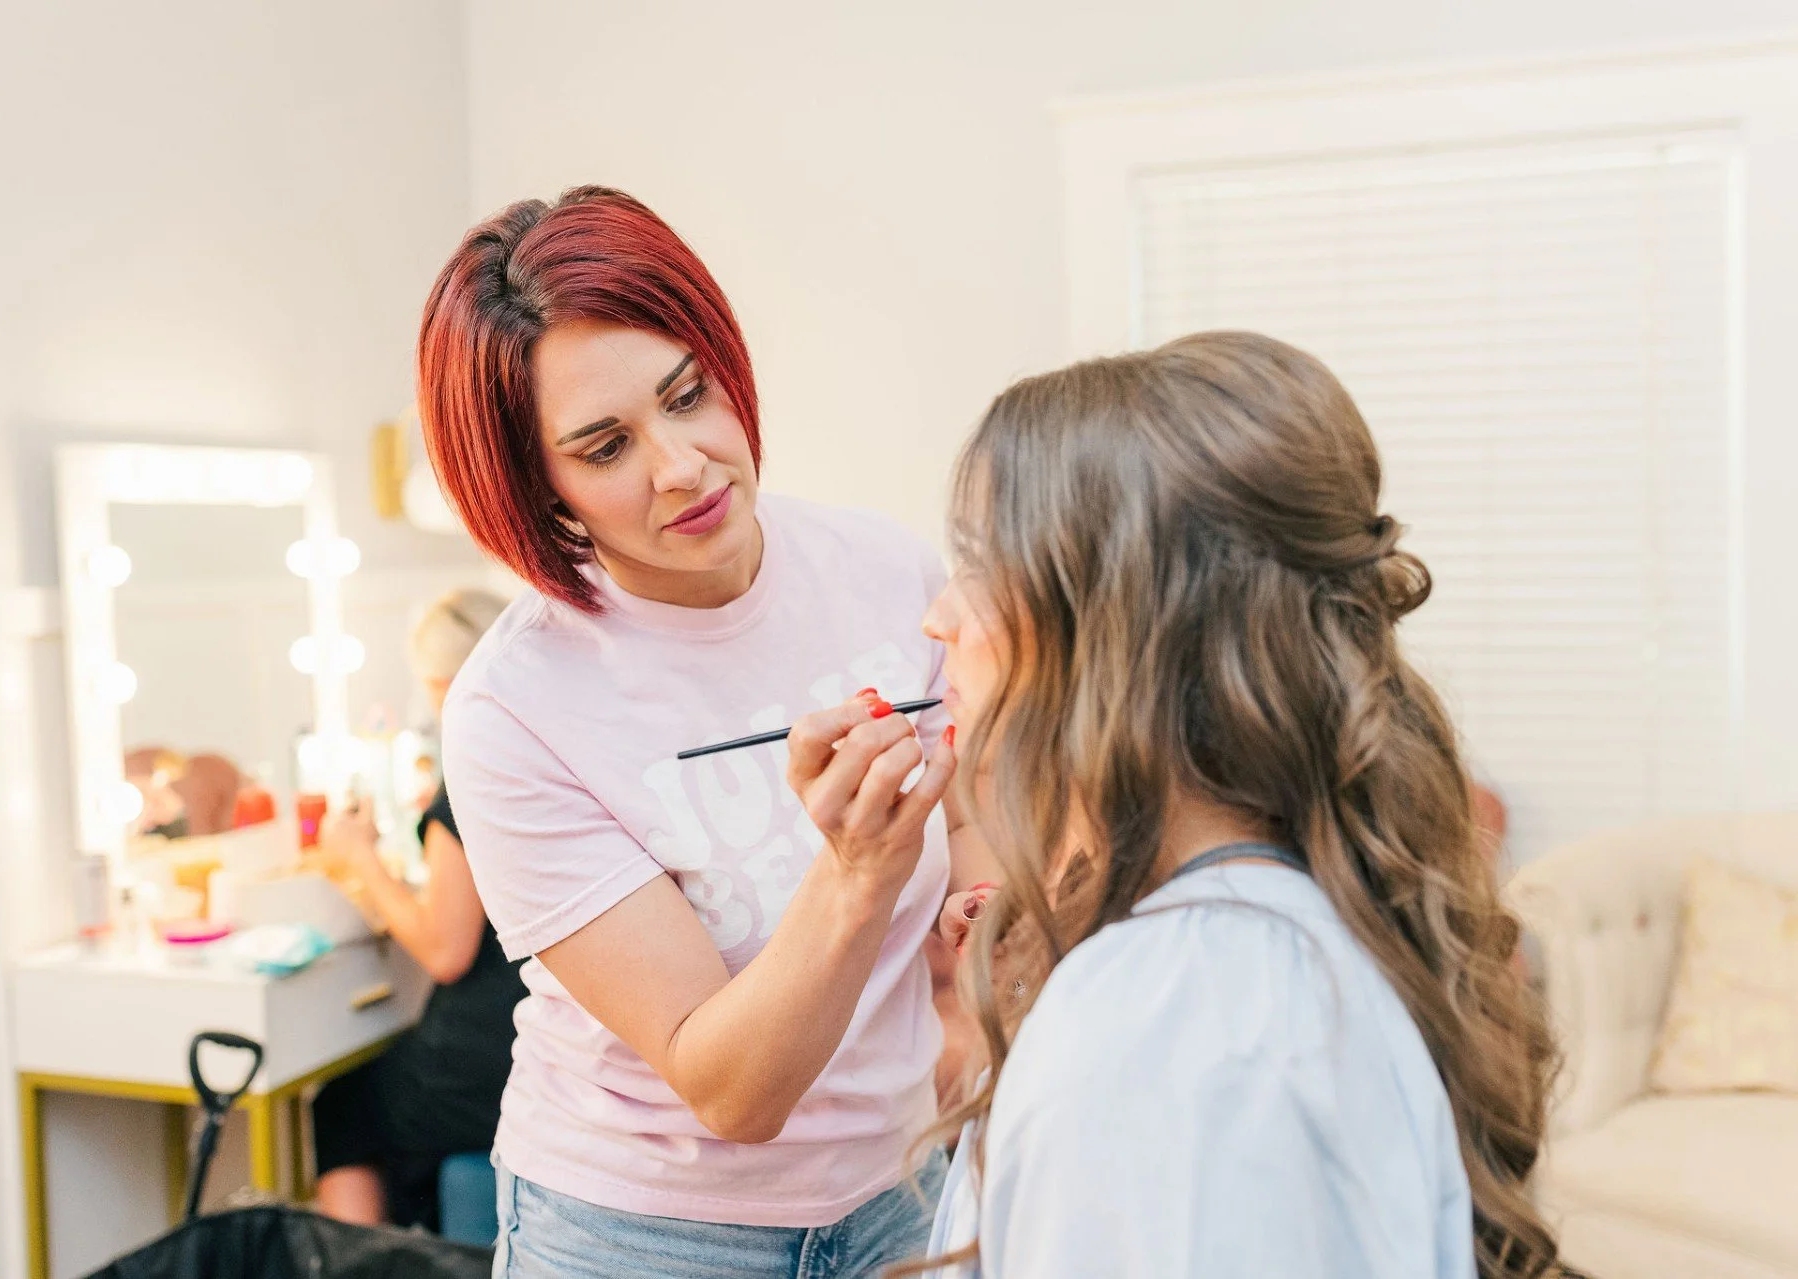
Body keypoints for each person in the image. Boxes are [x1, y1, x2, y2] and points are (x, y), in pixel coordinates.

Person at [418, 187, 991, 1278]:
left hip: (907, 1182)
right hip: (639, 1229)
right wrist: (858, 875)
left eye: (688, 394)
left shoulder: (885, 572)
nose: (681, 465)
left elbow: (967, 832)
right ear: (542, 491)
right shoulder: (515, 707)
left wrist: (977, 941)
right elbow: (730, 1088)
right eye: (606, 446)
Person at [918, 333, 1565, 1278]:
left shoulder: (1176, 1019)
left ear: (1116, 632)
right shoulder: (1255, 942)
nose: (939, 615)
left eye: (979, 561)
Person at [312, 588, 528, 1231]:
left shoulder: (470, 769)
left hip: (496, 1054)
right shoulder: (547, 744)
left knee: (343, 1105)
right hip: (541, 1028)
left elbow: (446, 950)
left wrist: (360, 858)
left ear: (445, 683)